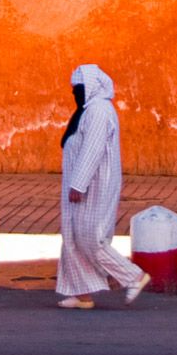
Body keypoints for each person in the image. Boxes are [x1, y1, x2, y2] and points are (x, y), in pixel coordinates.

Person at [55, 64, 151, 310]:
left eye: (79, 88)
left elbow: (93, 149)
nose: (76, 92)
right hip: (81, 184)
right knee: (73, 236)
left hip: (95, 184)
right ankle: (83, 293)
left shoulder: (99, 110)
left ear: (92, 87)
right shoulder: (87, 110)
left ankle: (133, 277)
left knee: (90, 237)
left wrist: (79, 184)